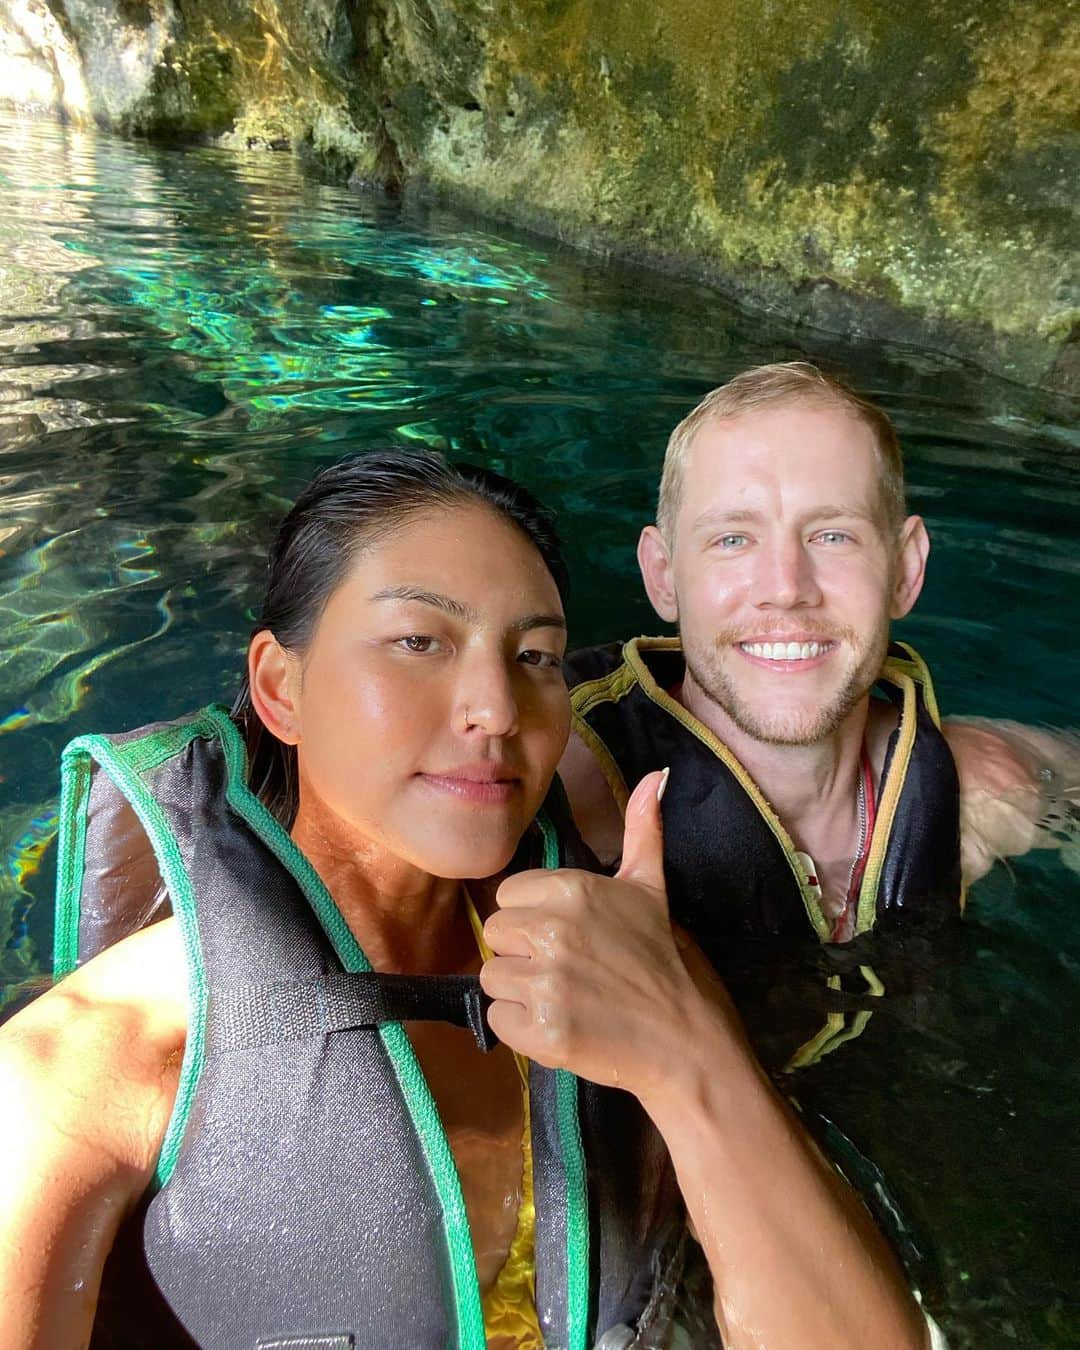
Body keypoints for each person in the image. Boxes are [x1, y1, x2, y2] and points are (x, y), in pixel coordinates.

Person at [0, 451, 933, 1350]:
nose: (496, 705)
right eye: (418, 641)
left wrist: (691, 1056)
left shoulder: (631, 964)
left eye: (535, 656)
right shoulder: (91, 1063)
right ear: (282, 688)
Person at [561, 364, 1078, 1054]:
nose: (786, 588)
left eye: (833, 535)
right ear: (662, 575)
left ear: (906, 569)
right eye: (732, 539)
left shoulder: (979, 789)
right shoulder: (557, 788)